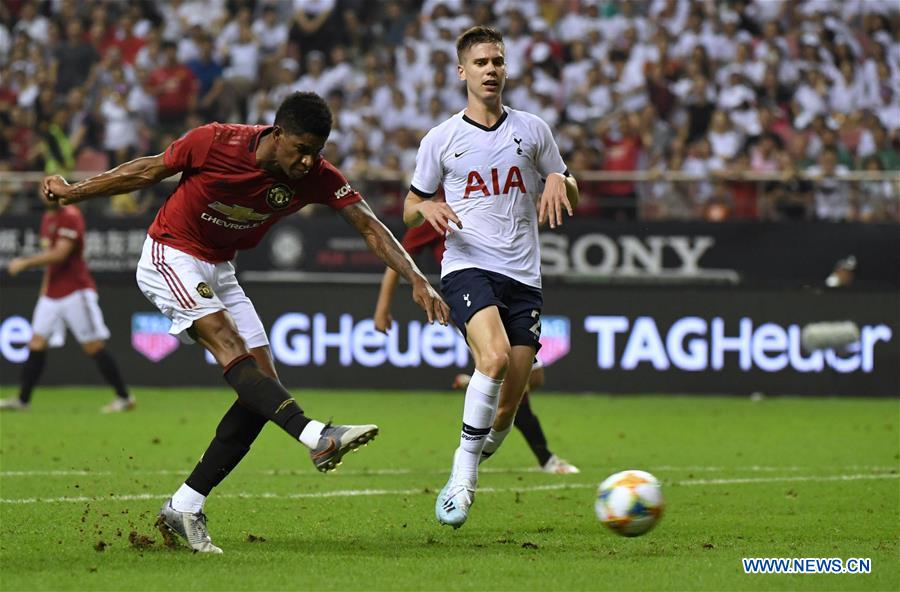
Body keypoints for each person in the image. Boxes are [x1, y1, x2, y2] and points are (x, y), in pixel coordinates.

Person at [41, 91, 450, 553]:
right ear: (277, 134)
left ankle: (185, 505)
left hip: (220, 267)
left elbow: (370, 226)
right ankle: (317, 435)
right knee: (227, 341)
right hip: (171, 252)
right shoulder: (215, 142)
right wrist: (74, 191)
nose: (307, 161)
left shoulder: (317, 175)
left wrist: (416, 279)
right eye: (301, 149)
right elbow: (147, 170)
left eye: (316, 151)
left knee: (263, 390)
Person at [403, 27, 579, 529]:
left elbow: (570, 187)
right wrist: (427, 207)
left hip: (523, 275)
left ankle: (471, 455)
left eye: (497, 61)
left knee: (507, 408)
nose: (490, 70)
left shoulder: (534, 130)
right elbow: (411, 206)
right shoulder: (441, 138)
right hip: (467, 265)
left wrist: (560, 180)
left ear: (506, 69)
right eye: (480, 62)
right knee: (495, 357)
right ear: (462, 72)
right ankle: (463, 476)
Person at [373, 223, 579, 475]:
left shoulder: (489, 205)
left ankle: (481, 385)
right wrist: (382, 307)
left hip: (508, 287)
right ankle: (545, 458)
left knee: (534, 378)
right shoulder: (437, 210)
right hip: (473, 296)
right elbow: (399, 254)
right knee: (510, 386)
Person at [1, 199, 134, 414]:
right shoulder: (48, 218)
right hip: (51, 293)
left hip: (75, 291)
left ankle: (124, 397)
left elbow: (60, 254)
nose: (47, 194)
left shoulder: (71, 216)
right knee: (36, 342)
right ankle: (23, 400)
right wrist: (44, 290)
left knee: (93, 346)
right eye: (45, 189)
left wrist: (25, 262)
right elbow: (51, 263)